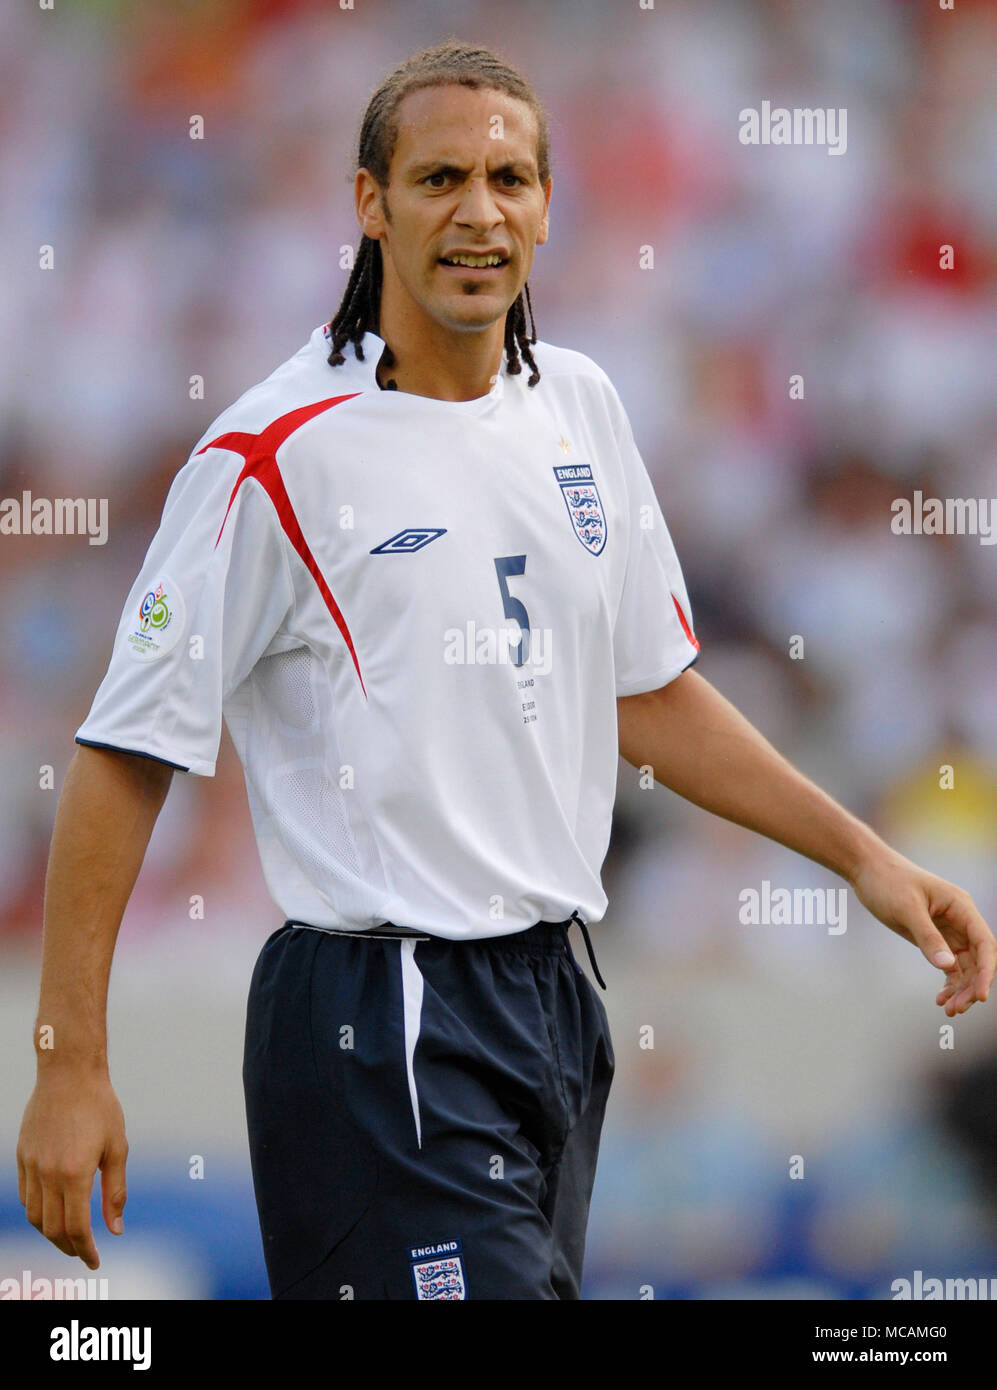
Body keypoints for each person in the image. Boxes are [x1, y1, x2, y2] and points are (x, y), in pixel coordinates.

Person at [16, 40, 995, 1302]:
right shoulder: (275, 452)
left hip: (552, 1002)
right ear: (368, 204)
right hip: (380, 1015)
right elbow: (123, 751)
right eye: (436, 180)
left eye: (508, 178)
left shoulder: (580, 407)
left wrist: (863, 855)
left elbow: (646, 695)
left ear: (546, 200)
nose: (478, 211)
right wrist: (68, 1058)